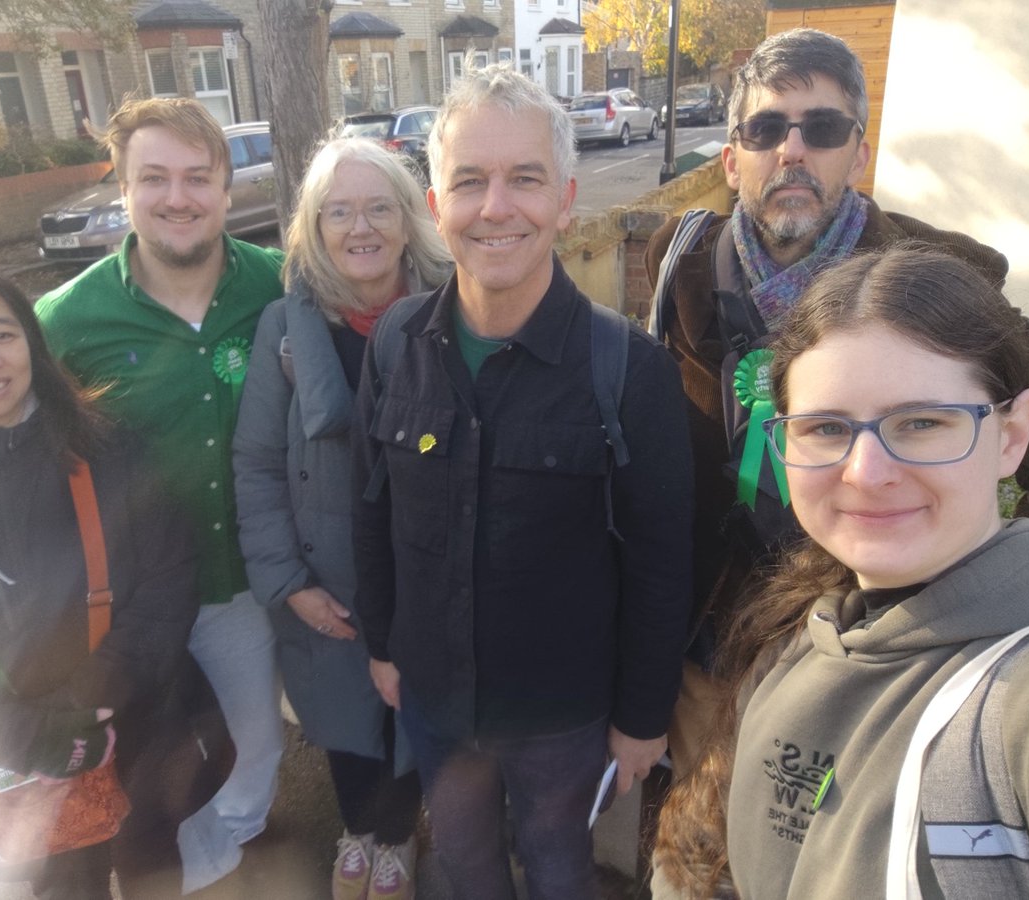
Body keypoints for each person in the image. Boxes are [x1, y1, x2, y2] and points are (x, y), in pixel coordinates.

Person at [642, 26, 1029, 782]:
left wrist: (983, 596)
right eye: (768, 128)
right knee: (697, 848)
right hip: (708, 634)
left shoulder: (940, 286)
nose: (793, 150)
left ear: (859, 155)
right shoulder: (682, 270)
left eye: (823, 128)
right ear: (733, 159)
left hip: (862, 653)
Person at [351, 64, 695, 900]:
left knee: (557, 868)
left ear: (565, 199)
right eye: (469, 181)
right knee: (466, 865)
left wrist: (643, 717)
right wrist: (383, 645)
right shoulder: (395, 343)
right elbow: (372, 507)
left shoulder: (629, 370)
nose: (496, 206)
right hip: (434, 700)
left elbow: (662, 561)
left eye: (524, 179)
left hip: (564, 719)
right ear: (436, 207)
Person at [652, 247, 1029, 899]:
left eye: (923, 422)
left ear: (1012, 435)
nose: (867, 472)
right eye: (825, 428)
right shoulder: (802, 629)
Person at [0, 256, 229, 899]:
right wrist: (16, 736)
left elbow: (169, 579)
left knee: (151, 857)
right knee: (61, 883)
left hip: (134, 727)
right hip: (1, 764)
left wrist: (89, 700)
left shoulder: (110, 449)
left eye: (4, 334)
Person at [35, 97, 286, 893]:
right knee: (145, 768)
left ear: (225, 186)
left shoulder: (278, 287)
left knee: (256, 753)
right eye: (154, 178)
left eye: (196, 177)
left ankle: (213, 861)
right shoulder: (64, 320)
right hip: (130, 603)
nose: (177, 197)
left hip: (241, 584)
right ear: (123, 187)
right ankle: (150, 869)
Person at [233, 136, 452, 900]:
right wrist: (287, 581)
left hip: (428, 570)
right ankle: (358, 828)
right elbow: (256, 462)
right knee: (345, 718)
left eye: (378, 207)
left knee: (411, 718)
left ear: (409, 218)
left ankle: (397, 838)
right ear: (313, 227)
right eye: (339, 212)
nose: (360, 228)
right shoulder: (284, 330)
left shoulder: (454, 306)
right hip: (327, 578)